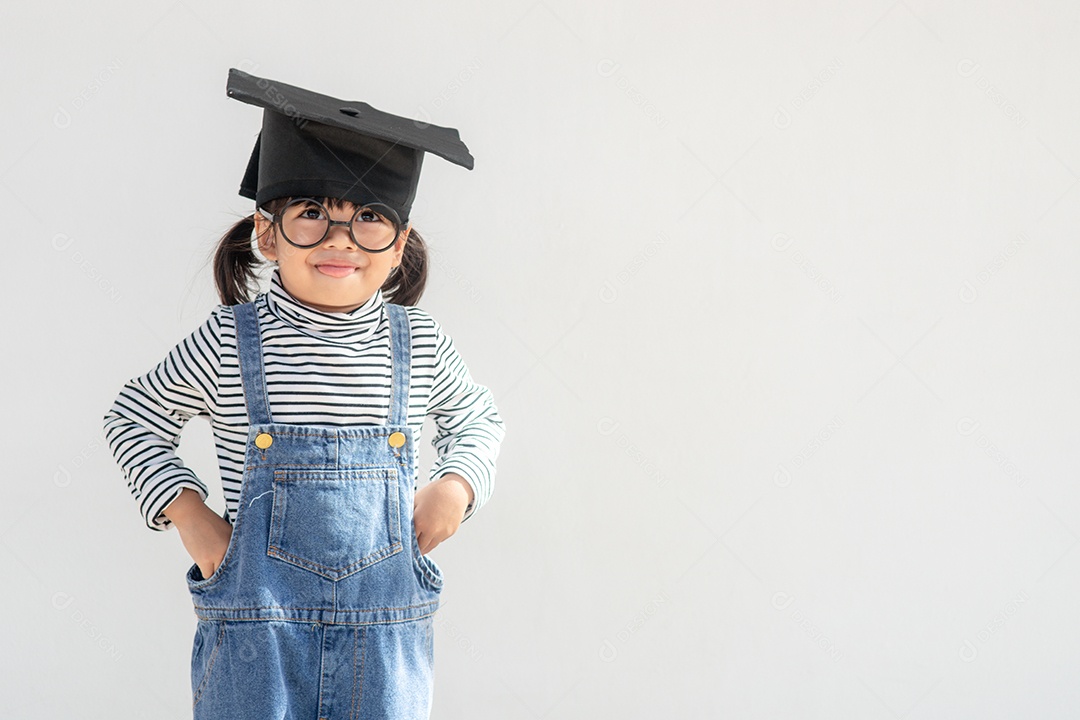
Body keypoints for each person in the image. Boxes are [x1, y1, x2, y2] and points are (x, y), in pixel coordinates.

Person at [102, 67, 505, 719]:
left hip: (386, 650)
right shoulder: (231, 342)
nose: (340, 237)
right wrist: (189, 515)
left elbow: (477, 419)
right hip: (255, 645)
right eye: (312, 212)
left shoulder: (420, 344)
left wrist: (457, 484)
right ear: (267, 232)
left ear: (399, 245)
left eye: (369, 217)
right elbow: (134, 416)